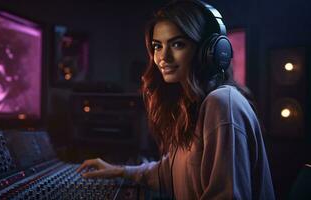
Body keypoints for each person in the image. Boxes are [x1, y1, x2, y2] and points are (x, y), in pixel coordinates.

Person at [77, 0, 275, 199]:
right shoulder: (191, 104)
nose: (164, 57)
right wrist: (119, 170)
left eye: (177, 44)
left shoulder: (222, 103)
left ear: (209, 50)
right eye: (157, 46)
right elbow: (172, 172)